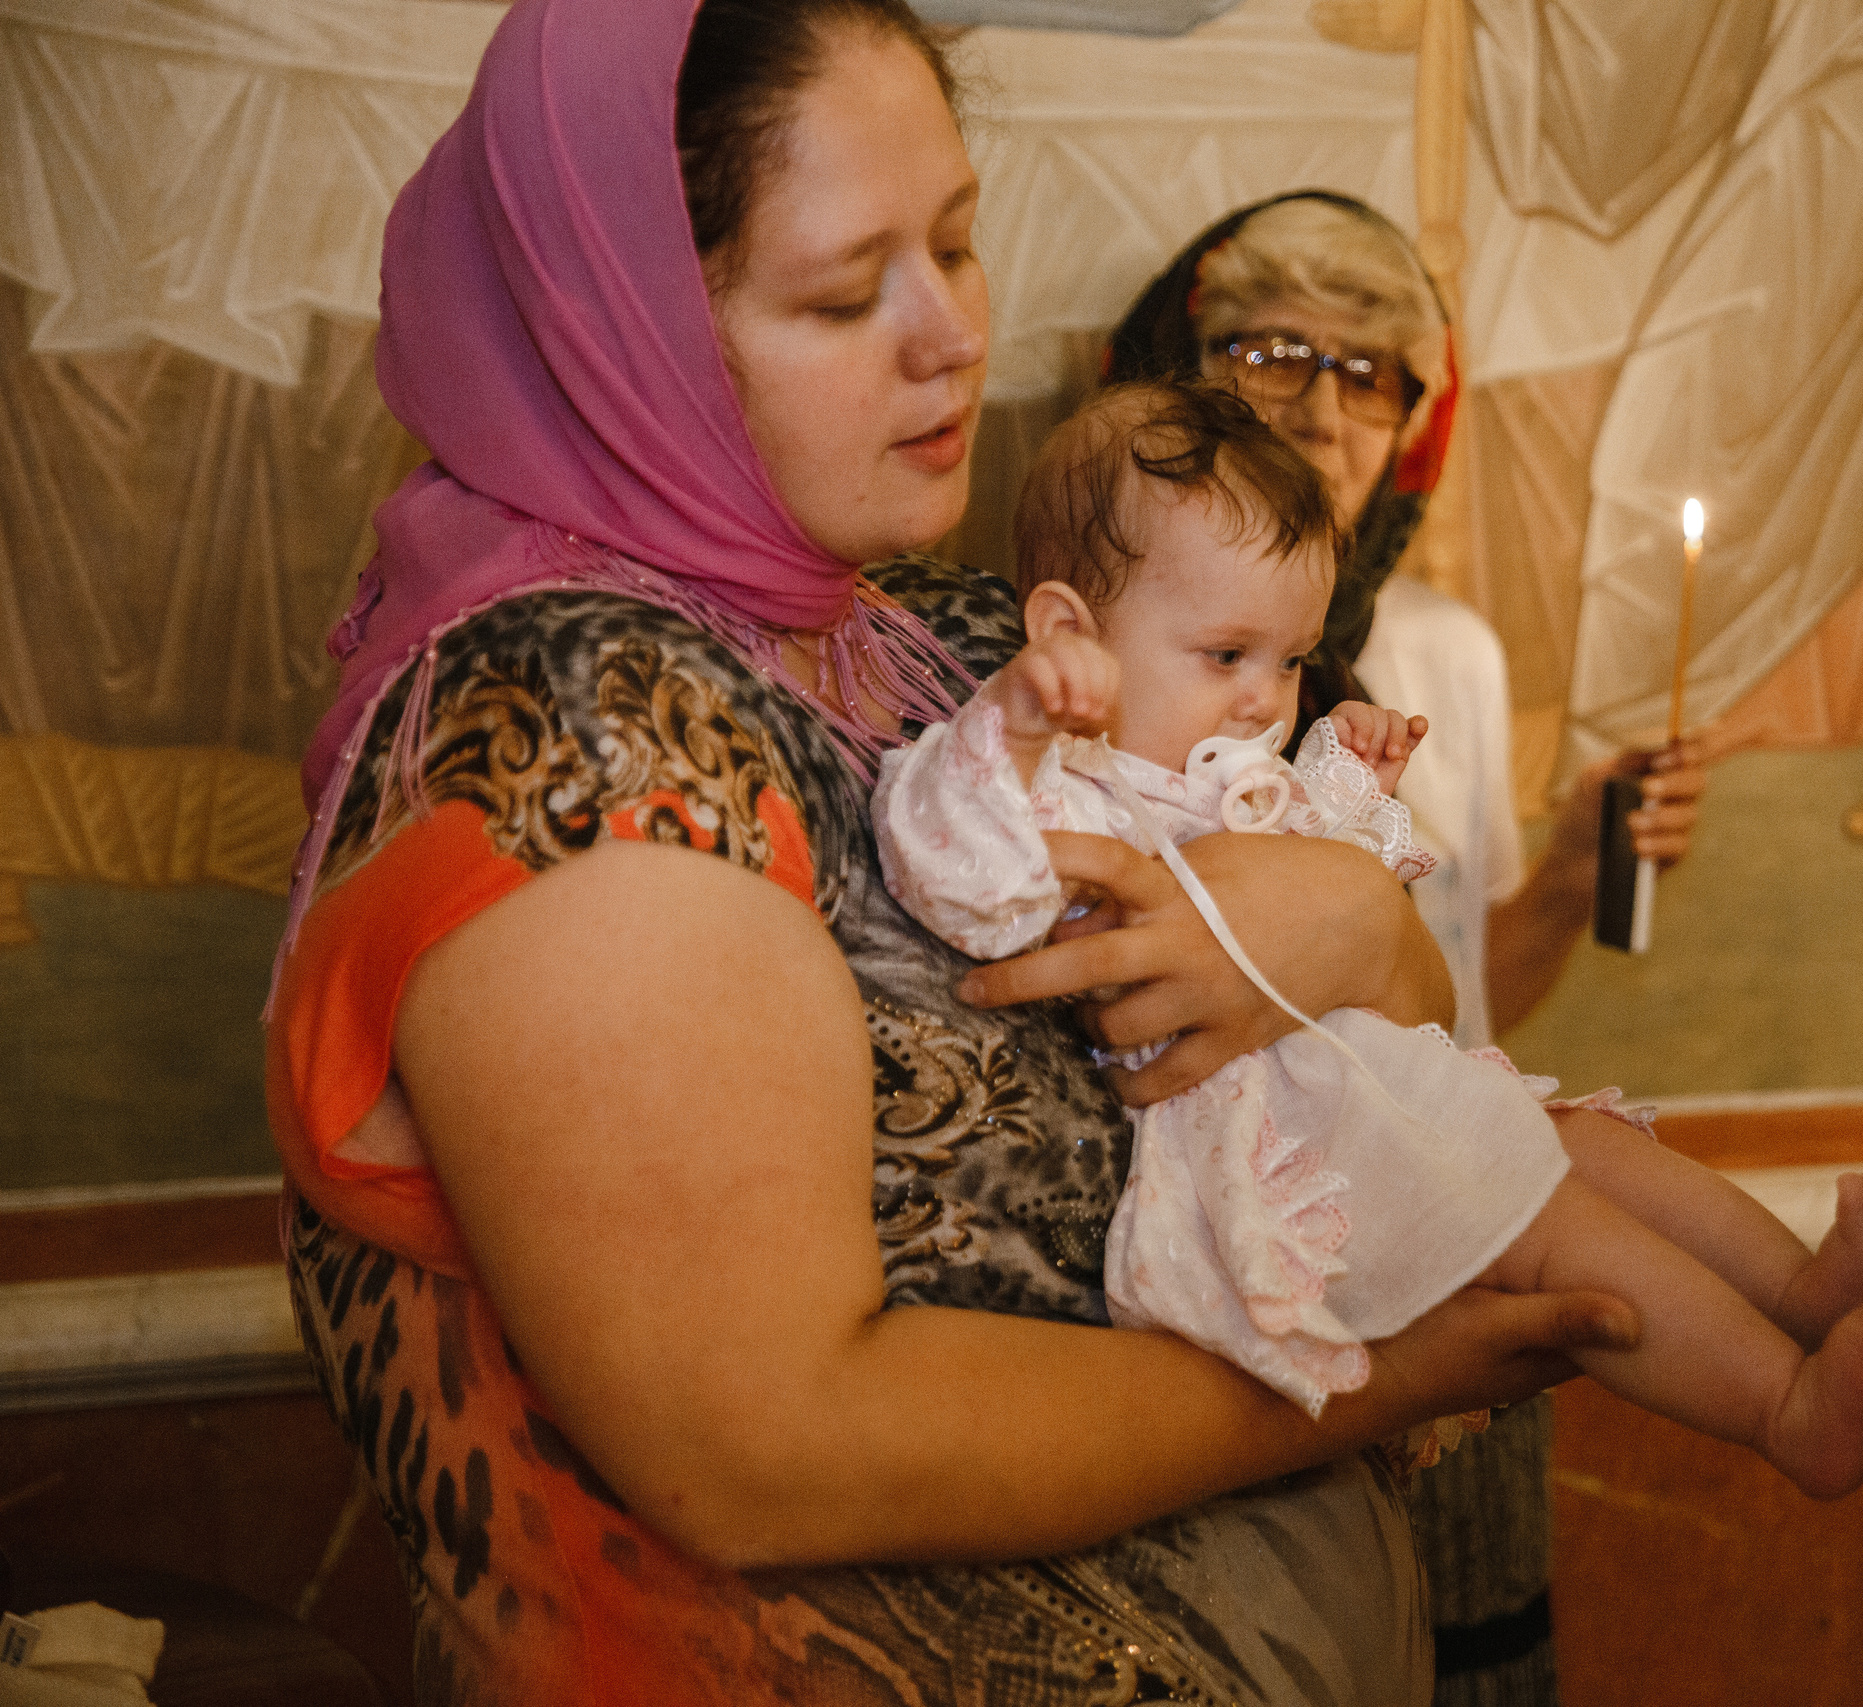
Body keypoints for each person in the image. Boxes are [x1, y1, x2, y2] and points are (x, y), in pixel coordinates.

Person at [259, 1, 1643, 1700]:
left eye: (963, 243)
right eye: (848, 292)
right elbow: (771, 1445)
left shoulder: (937, 633)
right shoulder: (580, 735)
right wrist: (1376, 1365)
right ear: (620, 324)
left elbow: (1385, 988)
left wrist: (1357, 917)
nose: (950, 336)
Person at [875, 376, 1863, 1490]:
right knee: (1554, 1238)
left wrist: (1347, 787)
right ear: (1066, 632)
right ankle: (1783, 1408)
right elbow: (956, 871)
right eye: (1227, 654)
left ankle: (1797, 1292)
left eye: (1289, 661)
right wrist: (1019, 722)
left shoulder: (1225, 767)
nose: (1262, 700)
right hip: (1273, 1144)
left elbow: (1345, 927)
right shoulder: (1070, 783)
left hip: (1362, 1087)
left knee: (1593, 1149)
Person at [1106, 192, 1707, 1703]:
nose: (1322, 406)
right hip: (1254, 1297)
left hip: (1461, 1246)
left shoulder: (1446, 656)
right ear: (1176, 370)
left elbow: (1461, 995)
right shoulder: (1109, 663)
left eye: (1372, 371)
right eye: (1272, 347)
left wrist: (1573, 867)